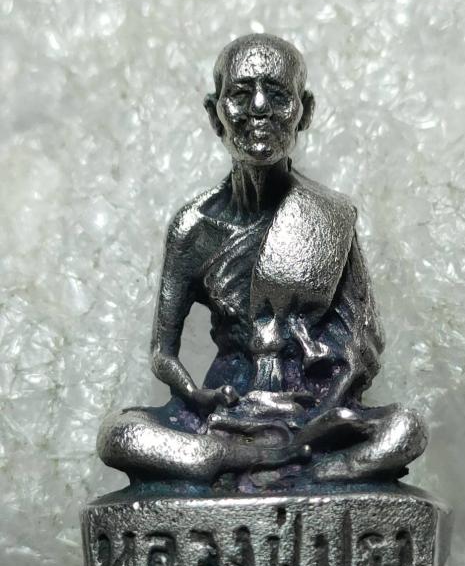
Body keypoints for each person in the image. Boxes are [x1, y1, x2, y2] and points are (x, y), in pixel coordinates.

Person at [97, 34, 427, 487]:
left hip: (311, 415)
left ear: (304, 111)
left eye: (277, 94)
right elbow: (162, 352)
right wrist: (195, 394)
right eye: (239, 94)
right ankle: (243, 458)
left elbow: (363, 348)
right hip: (223, 413)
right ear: (214, 113)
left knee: (406, 428)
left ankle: (303, 467)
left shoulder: (328, 216)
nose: (258, 108)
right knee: (120, 434)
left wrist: (325, 411)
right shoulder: (193, 228)